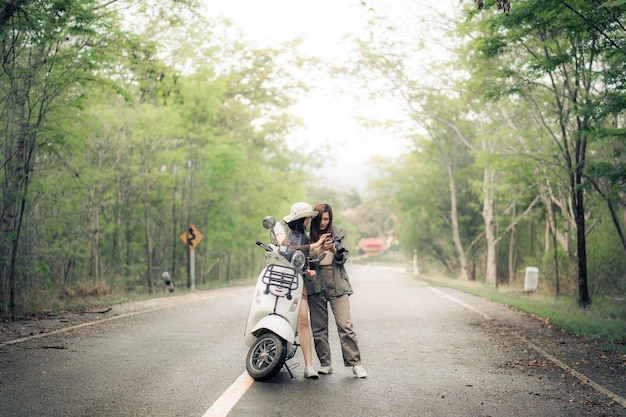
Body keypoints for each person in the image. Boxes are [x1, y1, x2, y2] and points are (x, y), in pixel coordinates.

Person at [308, 203, 368, 378]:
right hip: (315, 282)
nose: (323, 222)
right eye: (320, 219)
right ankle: (325, 363)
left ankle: (355, 363)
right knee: (319, 328)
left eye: (326, 219)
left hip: (338, 282)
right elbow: (305, 259)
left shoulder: (339, 232)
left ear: (330, 218)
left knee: (345, 325)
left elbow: (343, 257)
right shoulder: (308, 236)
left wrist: (336, 250)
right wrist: (320, 248)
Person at [274, 202, 330, 379]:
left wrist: (309, 270)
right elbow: (285, 247)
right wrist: (315, 245)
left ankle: (308, 365)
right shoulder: (281, 232)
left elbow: (302, 261)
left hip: (298, 282)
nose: (308, 221)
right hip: (279, 279)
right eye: (306, 218)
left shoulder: (305, 238)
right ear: (300, 219)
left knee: (303, 319)